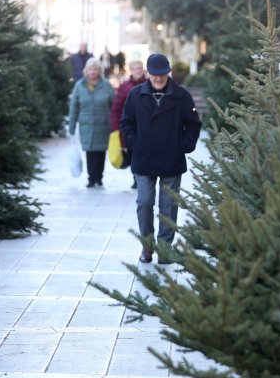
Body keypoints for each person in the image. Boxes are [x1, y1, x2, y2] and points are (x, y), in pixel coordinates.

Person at [121, 53, 202, 264]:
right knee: (144, 202)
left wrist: (183, 145)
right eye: (155, 74)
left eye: (163, 74)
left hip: (171, 158)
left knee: (168, 205)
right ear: (148, 73)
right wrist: (134, 143)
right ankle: (147, 246)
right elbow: (126, 122)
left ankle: (165, 248)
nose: (159, 78)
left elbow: (193, 124)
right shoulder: (135, 94)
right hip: (143, 157)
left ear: (168, 73)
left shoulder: (182, 96)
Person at [68, 57, 115, 188]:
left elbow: (114, 105)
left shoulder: (106, 85)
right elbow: (74, 107)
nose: (93, 72)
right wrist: (71, 126)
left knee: (100, 152)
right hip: (86, 125)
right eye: (90, 69)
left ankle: (99, 177)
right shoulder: (79, 86)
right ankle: (91, 178)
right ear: (86, 71)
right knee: (89, 152)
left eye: (95, 69)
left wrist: (116, 125)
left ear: (99, 71)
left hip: (103, 125)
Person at [109, 60, 147, 189]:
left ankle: (144, 177)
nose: (138, 70)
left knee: (145, 153)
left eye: (140, 67)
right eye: (136, 68)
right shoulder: (125, 87)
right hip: (130, 127)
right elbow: (116, 109)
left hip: (147, 127)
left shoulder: (150, 85)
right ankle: (136, 179)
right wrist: (116, 127)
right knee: (132, 154)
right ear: (131, 70)